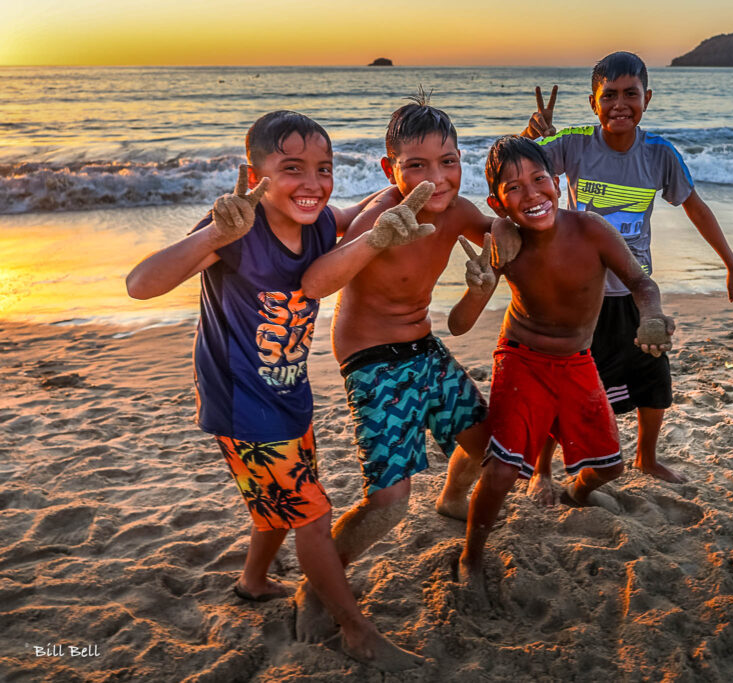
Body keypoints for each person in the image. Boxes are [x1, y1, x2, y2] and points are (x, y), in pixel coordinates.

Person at [125, 110, 422, 671]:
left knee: (279, 503)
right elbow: (141, 285)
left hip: (287, 397)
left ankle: (253, 580)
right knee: (311, 514)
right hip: (243, 407)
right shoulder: (237, 233)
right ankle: (355, 629)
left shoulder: (317, 225)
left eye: (324, 168)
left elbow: (358, 209)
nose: (312, 182)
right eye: (292, 168)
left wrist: (404, 185)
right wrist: (215, 233)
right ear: (253, 173)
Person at [295, 95, 517, 640]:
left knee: (488, 449)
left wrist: (502, 243)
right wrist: (375, 238)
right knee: (391, 503)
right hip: (372, 360)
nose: (436, 179)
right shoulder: (380, 217)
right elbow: (318, 282)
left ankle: (451, 499)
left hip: (422, 345)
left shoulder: (460, 211)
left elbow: (499, 238)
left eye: (448, 162)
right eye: (416, 165)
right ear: (389, 168)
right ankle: (320, 585)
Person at [521, 51, 733, 489]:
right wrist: (531, 136)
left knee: (653, 376)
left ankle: (646, 459)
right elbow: (517, 172)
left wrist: (732, 263)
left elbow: (696, 207)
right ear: (594, 102)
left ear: (647, 98)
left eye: (630, 94)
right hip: (582, 295)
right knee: (567, 383)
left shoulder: (658, 154)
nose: (619, 104)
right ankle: (542, 469)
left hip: (634, 291)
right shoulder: (573, 143)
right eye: (608, 95)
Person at [451, 135, 675, 587]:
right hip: (521, 358)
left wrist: (651, 316)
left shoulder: (590, 229)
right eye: (514, 188)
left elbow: (640, 281)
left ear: (556, 181)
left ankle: (574, 491)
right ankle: (471, 556)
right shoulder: (505, 242)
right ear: (498, 201)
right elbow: (458, 325)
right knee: (501, 471)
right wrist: (478, 289)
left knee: (610, 465)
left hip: (576, 360)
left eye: (538, 180)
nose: (531, 194)